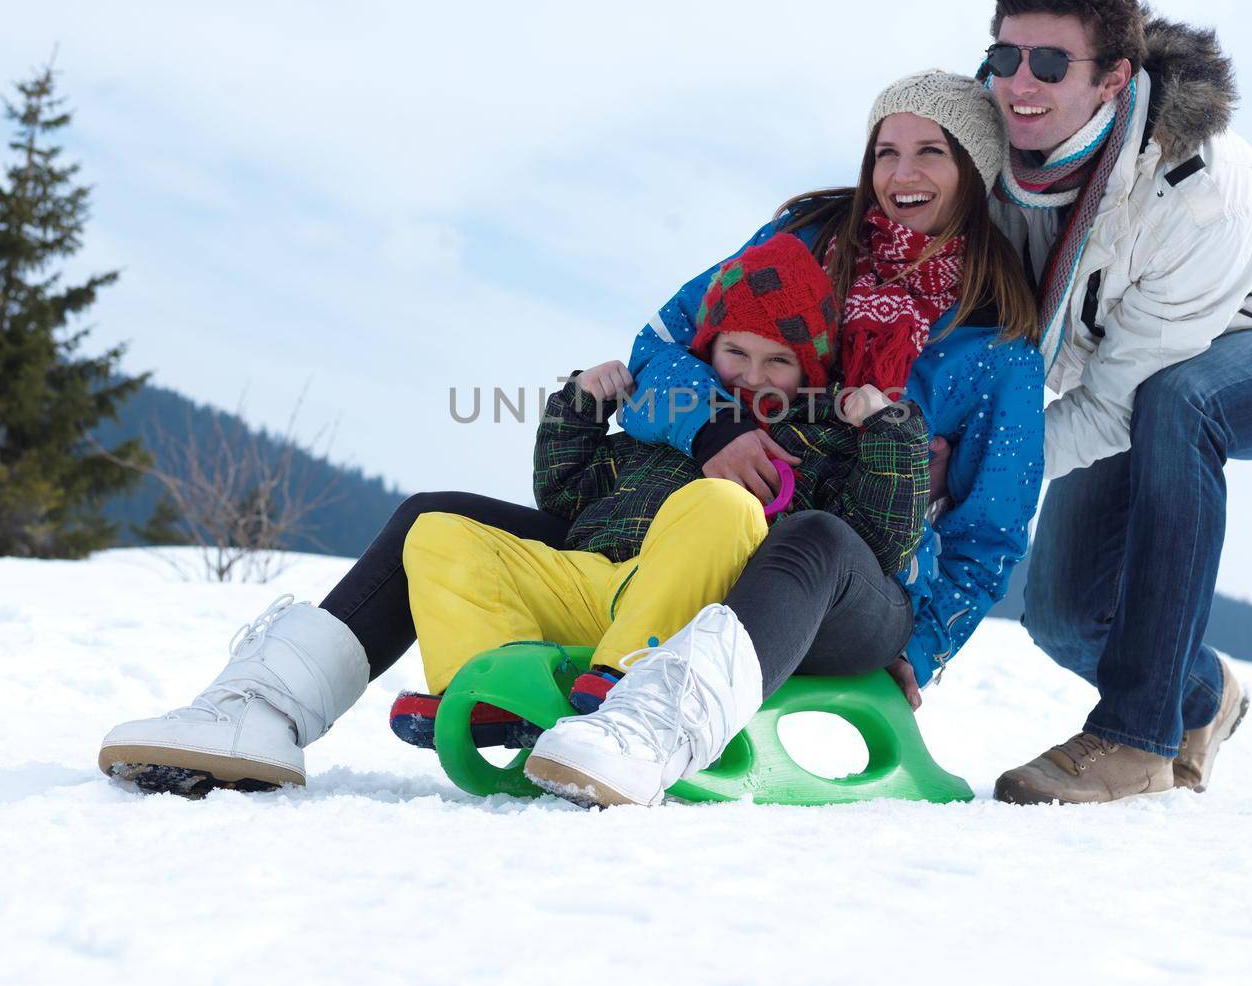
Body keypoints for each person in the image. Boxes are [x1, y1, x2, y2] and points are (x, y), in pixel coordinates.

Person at [520, 70, 1045, 807]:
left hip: (858, 585)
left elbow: (991, 528)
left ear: (975, 171)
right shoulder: (801, 245)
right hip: (705, 535)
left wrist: (922, 647)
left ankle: (646, 732)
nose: (901, 174)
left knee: (818, 538)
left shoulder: (997, 347)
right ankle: (300, 693)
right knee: (446, 518)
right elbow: (661, 346)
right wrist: (715, 427)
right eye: (883, 152)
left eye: (931, 152)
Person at [978, 0, 1252, 805]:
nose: (1020, 83)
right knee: (1064, 617)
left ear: (1113, 78)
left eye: (1051, 64)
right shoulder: (997, 159)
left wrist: (984, 468)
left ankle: (1135, 738)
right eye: (1004, 58)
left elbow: (1121, 401)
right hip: (1140, 375)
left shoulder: (1201, 197)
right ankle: (1202, 697)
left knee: (1180, 402)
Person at [388, 231, 931, 749]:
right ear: (708, 351)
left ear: (808, 367)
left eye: (778, 361)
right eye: (736, 352)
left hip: (697, 618)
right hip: (597, 587)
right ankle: (491, 687)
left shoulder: (817, 444)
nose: (751, 375)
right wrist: (582, 406)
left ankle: (635, 684)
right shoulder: (671, 425)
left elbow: (875, 544)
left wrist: (888, 432)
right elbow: (564, 498)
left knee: (721, 504)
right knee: (439, 534)